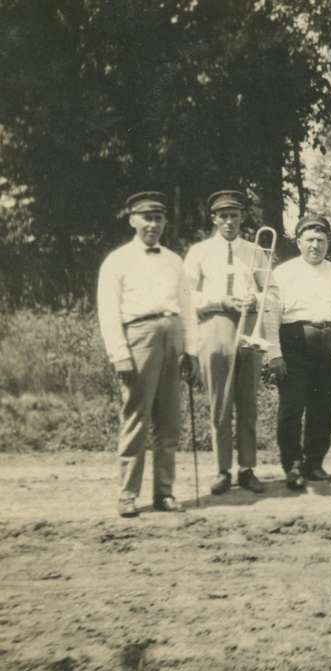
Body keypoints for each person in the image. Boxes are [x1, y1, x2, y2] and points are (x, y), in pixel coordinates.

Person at [97, 191, 196, 517]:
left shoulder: (174, 260)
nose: (152, 224)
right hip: (138, 337)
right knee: (136, 417)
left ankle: (164, 493)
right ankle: (127, 494)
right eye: (146, 218)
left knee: (169, 421)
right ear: (132, 220)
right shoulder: (117, 261)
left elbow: (186, 307)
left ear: (165, 222)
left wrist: (190, 350)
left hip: (172, 335)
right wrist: (119, 354)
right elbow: (108, 311)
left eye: (158, 218)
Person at [182, 190, 275, 496]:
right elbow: (186, 296)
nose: (229, 222)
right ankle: (222, 470)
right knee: (220, 402)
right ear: (214, 219)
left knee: (247, 402)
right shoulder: (199, 252)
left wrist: (256, 297)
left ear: (241, 217)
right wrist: (218, 299)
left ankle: (247, 469)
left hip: (249, 325)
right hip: (215, 324)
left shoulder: (255, 251)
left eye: (234, 215)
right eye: (223, 216)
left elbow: (272, 292)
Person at [265, 214, 331, 489]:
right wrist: (274, 354)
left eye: (321, 240)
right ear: (299, 242)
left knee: (323, 406)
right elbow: (271, 315)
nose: (315, 245)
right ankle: (293, 465)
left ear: (328, 243)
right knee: (293, 405)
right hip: (294, 343)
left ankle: (315, 462)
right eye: (310, 240)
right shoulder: (282, 273)